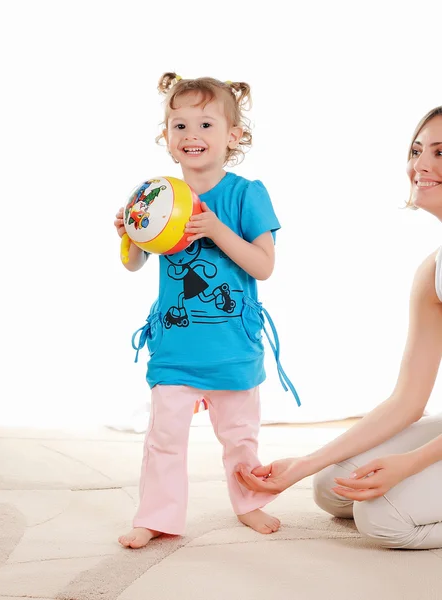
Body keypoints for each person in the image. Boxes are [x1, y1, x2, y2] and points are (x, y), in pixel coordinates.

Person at [236, 106, 442, 550]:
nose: (420, 166)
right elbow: (409, 399)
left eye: (441, 153)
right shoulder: (433, 271)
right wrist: (304, 464)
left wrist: (411, 462)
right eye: (417, 150)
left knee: (382, 518)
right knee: (332, 490)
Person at [114, 72, 299, 549]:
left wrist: (216, 229)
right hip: (175, 346)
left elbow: (263, 266)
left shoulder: (245, 194)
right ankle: (157, 515)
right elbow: (135, 264)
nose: (192, 135)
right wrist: (130, 234)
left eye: (206, 124)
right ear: (168, 138)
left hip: (232, 348)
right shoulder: (161, 198)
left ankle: (249, 504)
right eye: (179, 126)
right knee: (164, 440)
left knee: (240, 439)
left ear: (233, 136)